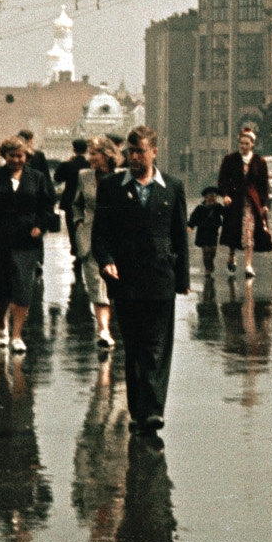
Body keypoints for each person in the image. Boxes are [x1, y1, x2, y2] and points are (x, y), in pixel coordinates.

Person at [93, 126, 190, 441]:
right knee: (135, 346)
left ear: (154, 152)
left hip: (161, 276)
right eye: (130, 152)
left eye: (140, 152)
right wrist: (106, 259)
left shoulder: (172, 188)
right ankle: (138, 411)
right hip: (126, 278)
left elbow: (179, 237)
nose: (134, 158)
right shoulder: (111, 187)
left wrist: (183, 279)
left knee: (158, 346)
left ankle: (154, 411)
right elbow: (101, 232)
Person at [0, 136, 58, 353]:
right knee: (1, 287)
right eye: (11, 156)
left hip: (27, 240)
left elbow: (48, 206)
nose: (16, 160)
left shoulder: (37, 178)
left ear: (27, 156)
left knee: (23, 286)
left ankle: (17, 335)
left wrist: (41, 226)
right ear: (4, 156)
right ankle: (2, 325)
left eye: (20, 156)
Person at [70, 136, 117, 350]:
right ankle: (103, 330)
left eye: (94, 153)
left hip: (116, 237)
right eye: (89, 153)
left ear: (107, 155)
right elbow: (76, 203)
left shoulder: (122, 177)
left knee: (117, 284)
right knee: (96, 284)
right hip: (89, 236)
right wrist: (79, 220)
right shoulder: (84, 176)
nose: (90, 158)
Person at [217, 127, 272, 283]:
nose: (243, 146)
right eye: (241, 143)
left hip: (251, 202)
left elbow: (263, 184)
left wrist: (263, 203)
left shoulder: (259, 162)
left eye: (246, 144)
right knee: (234, 230)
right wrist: (225, 195)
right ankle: (232, 255)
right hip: (234, 201)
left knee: (249, 231)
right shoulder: (230, 159)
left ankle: (248, 265)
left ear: (252, 144)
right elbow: (223, 179)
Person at [188, 187, 225, 292]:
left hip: (213, 232)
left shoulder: (218, 207)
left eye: (214, 196)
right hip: (202, 232)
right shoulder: (200, 208)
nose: (211, 199)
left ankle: (211, 262)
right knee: (206, 251)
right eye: (209, 196)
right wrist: (190, 226)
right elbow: (193, 218)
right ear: (205, 197)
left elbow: (226, 214)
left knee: (213, 250)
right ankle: (207, 269)